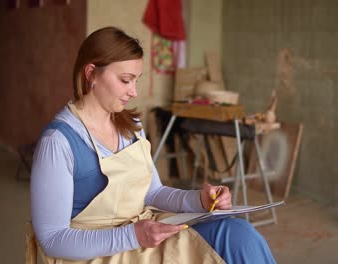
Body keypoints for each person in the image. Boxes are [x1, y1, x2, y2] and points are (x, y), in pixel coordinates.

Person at [30, 26, 276, 263]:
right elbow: (52, 239)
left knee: (238, 235)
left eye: (136, 80)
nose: (134, 92)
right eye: (125, 80)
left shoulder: (131, 124)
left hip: (142, 236)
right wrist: (132, 235)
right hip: (96, 253)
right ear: (91, 73)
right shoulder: (58, 142)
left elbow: (152, 192)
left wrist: (199, 200)